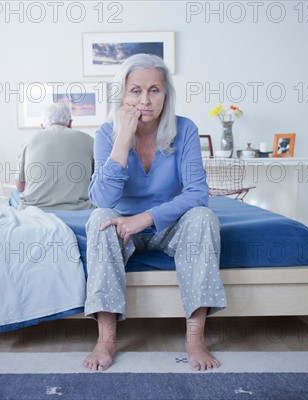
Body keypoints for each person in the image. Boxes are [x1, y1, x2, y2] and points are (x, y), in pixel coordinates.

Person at [83, 54, 227, 372]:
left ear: (166, 94)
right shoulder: (106, 134)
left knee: (204, 218)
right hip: (121, 226)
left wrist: (146, 218)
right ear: (122, 94)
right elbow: (101, 198)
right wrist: (123, 138)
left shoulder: (185, 129)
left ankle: (195, 339)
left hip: (169, 225)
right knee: (99, 221)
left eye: (154, 90)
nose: (145, 101)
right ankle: (106, 341)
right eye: (135, 91)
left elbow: (197, 194)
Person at [15, 101, 94, 211]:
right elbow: (97, 183)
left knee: (14, 197)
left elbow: (20, 187)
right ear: (70, 124)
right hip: (78, 210)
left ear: (42, 126)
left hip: (35, 210)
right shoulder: (90, 141)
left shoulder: (27, 141)